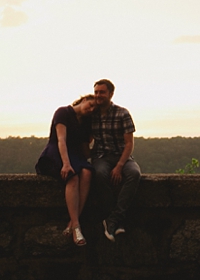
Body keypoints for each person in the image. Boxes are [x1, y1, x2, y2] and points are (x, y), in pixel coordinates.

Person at [36, 95, 96, 246]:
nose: (91, 109)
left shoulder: (86, 122)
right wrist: (66, 164)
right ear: (83, 100)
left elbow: (84, 150)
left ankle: (72, 221)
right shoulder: (63, 112)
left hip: (75, 155)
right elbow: (61, 140)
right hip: (56, 153)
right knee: (72, 176)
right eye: (90, 104)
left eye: (95, 108)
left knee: (87, 173)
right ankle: (76, 227)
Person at [91, 79, 141, 242]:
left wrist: (119, 166)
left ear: (111, 94)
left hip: (122, 156)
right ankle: (117, 220)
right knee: (99, 174)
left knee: (134, 174)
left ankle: (113, 218)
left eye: (102, 92)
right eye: (96, 92)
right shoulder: (92, 113)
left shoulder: (122, 113)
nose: (98, 95)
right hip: (101, 156)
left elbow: (129, 144)